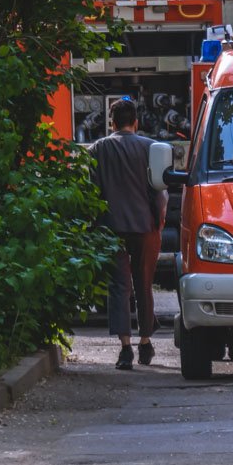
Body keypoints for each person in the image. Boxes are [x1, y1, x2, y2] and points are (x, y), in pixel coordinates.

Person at [90, 98, 162, 370]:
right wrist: (159, 219)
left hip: (111, 228)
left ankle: (125, 349)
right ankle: (145, 342)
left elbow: (92, 190)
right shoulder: (150, 148)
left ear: (111, 123)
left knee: (119, 287)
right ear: (136, 122)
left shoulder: (98, 149)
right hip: (145, 227)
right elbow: (159, 192)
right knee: (144, 284)